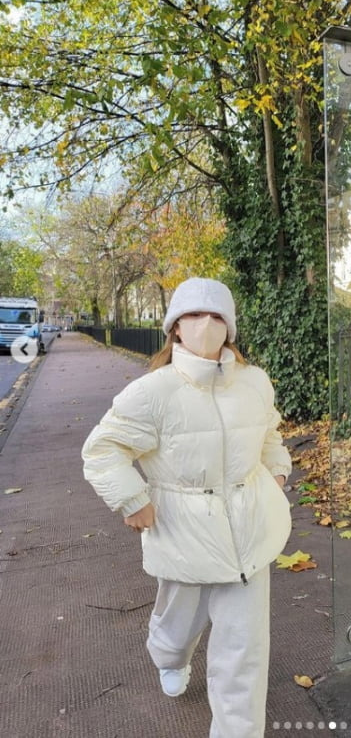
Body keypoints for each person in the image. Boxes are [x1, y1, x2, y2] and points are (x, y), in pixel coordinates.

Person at [81, 277, 292, 738]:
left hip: (250, 532)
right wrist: (133, 499)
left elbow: (269, 435)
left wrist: (276, 474)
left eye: (217, 316)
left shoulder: (254, 382)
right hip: (184, 533)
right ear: (175, 327)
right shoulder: (153, 392)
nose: (206, 324)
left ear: (230, 328)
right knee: (179, 625)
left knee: (244, 652)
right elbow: (102, 451)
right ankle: (169, 656)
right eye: (195, 315)